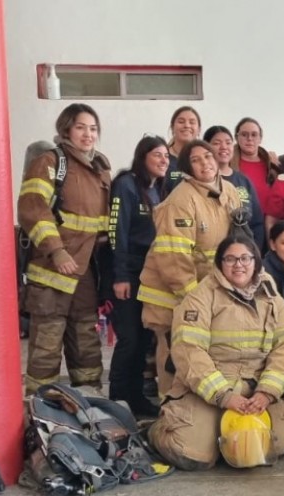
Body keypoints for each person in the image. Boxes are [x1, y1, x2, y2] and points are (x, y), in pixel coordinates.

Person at [147, 236, 284, 470]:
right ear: (219, 264)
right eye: (230, 259)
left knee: (276, 445)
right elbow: (190, 353)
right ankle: (157, 429)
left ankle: (217, 434)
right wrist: (225, 396)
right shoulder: (200, 297)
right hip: (211, 388)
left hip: (256, 387)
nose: (239, 265)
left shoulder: (270, 295)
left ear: (255, 261)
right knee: (192, 456)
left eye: (245, 258)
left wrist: (267, 393)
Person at [18, 103, 111, 395]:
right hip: (51, 272)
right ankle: (39, 411)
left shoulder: (100, 166)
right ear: (66, 129)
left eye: (93, 128)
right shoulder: (50, 161)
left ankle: (90, 404)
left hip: (85, 270)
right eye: (81, 127)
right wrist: (56, 250)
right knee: (46, 348)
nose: (88, 134)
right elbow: (33, 209)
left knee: (87, 346)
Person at [138, 140, 242, 396]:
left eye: (208, 156)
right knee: (175, 353)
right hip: (174, 293)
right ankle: (170, 409)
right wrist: (193, 296)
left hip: (208, 290)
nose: (205, 163)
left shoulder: (229, 190)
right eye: (196, 160)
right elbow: (173, 256)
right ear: (187, 168)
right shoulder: (181, 199)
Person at [106, 136, 169, 416]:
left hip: (151, 277)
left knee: (144, 339)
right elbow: (116, 233)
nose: (164, 160)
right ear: (142, 156)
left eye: (166, 156)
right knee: (129, 339)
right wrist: (120, 275)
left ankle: (136, 399)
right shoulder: (126, 184)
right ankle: (117, 400)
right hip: (128, 274)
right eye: (157, 155)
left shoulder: (157, 190)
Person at [204, 125, 265, 249]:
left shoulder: (243, 181)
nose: (224, 147)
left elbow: (257, 222)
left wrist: (255, 252)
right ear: (206, 148)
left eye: (228, 142)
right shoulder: (202, 181)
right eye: (217, 143)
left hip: (244, 253)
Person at [231, 117, 281, 215]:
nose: (249, 138)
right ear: (237, 138)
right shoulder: (228, 164)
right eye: (244, 134)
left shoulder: (271, 166)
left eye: (254, 135)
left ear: (260, 138)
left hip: (266, 224)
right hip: (239, 224)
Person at [164, 106, 201, 194]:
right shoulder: (162, 157)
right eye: (181, 122)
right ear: (172, 127)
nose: (187, 125)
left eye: (192, 122)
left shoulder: (205, 160)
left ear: (199, 129)